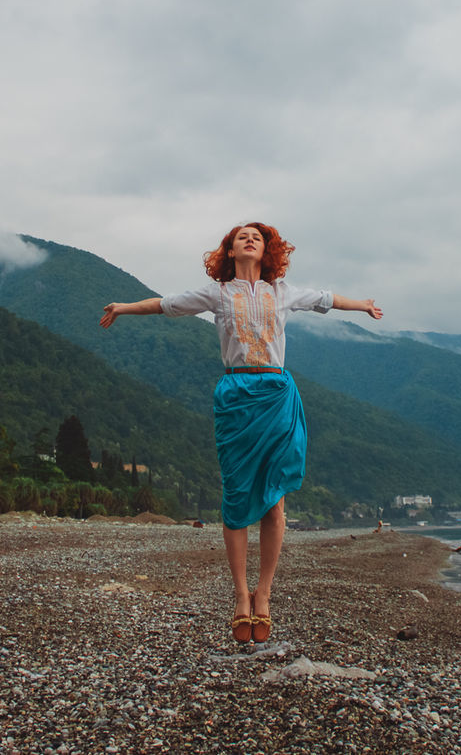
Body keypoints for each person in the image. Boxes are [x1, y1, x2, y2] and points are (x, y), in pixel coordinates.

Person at [100, 222, 382, 643]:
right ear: (229, 251)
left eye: (257, 237)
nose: (249, 240)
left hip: (276, 393)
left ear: (266, 250)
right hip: (235, 396)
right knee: (235, 495)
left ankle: (263, 594)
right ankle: (239, 597)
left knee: (273, 502)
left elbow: (326, 299)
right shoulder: (216, 293)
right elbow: (164, 304)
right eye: (241, 237)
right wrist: (123, 307)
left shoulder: (281, 291)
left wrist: (362, 305)